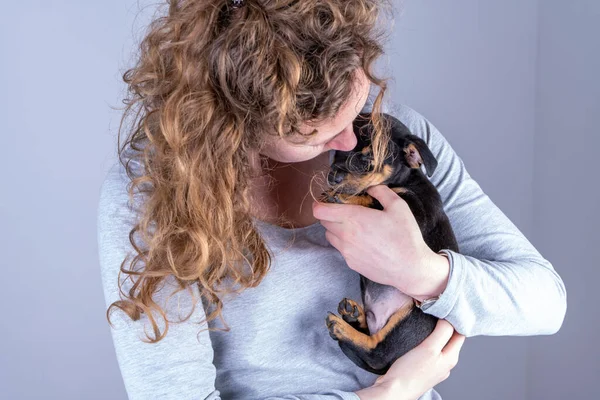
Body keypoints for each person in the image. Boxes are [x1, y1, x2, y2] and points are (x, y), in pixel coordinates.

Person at [97, 1, 567, 399]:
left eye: (358, 102)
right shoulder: (155, 188)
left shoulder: (398, 135)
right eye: (314, 136)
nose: (351, 138)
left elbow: (546, 303)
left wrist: (423, 272)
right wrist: (389, 393)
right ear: (235, 120)